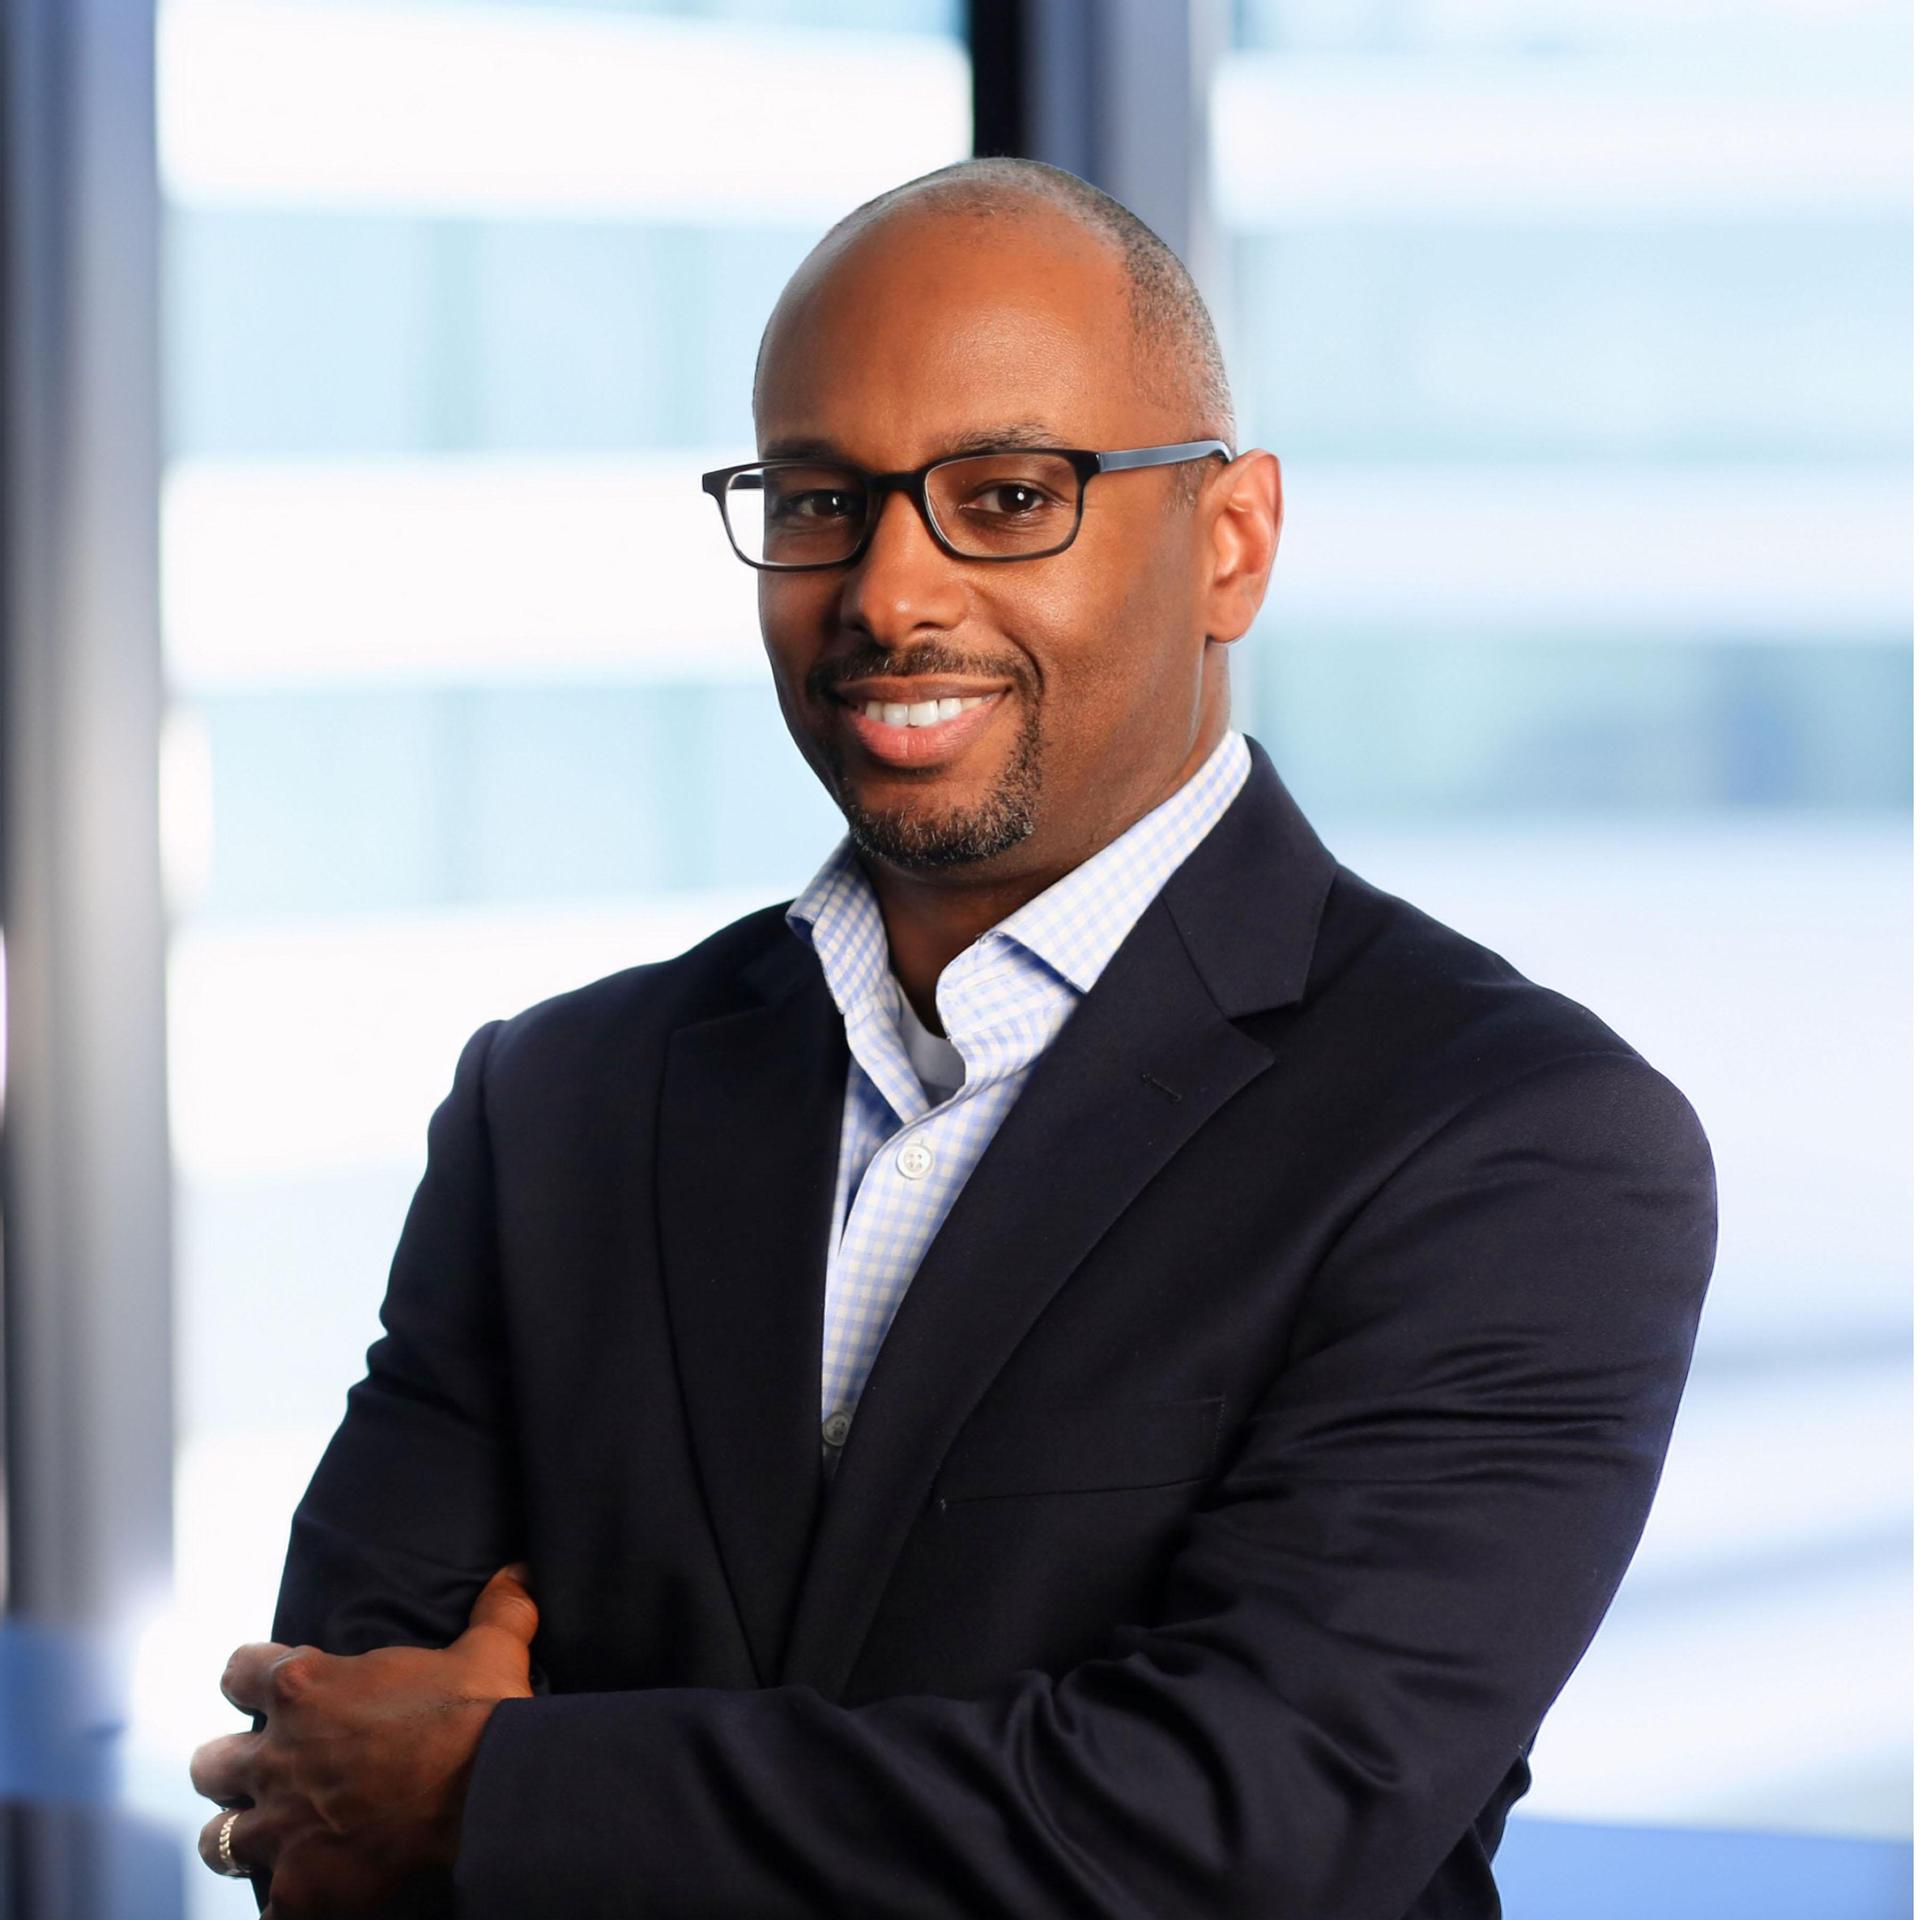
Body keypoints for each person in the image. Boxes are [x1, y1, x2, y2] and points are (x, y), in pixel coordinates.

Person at [188, 156, 1717, 1919]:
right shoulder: (557, 1103)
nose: (889, 594)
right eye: (820, 501)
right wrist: (430, 1799)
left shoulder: (1514, 1143)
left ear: (1230, 544)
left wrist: (493, 1791)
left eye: (1006, 497)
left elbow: (1230, 1838)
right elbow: (326, 1779)